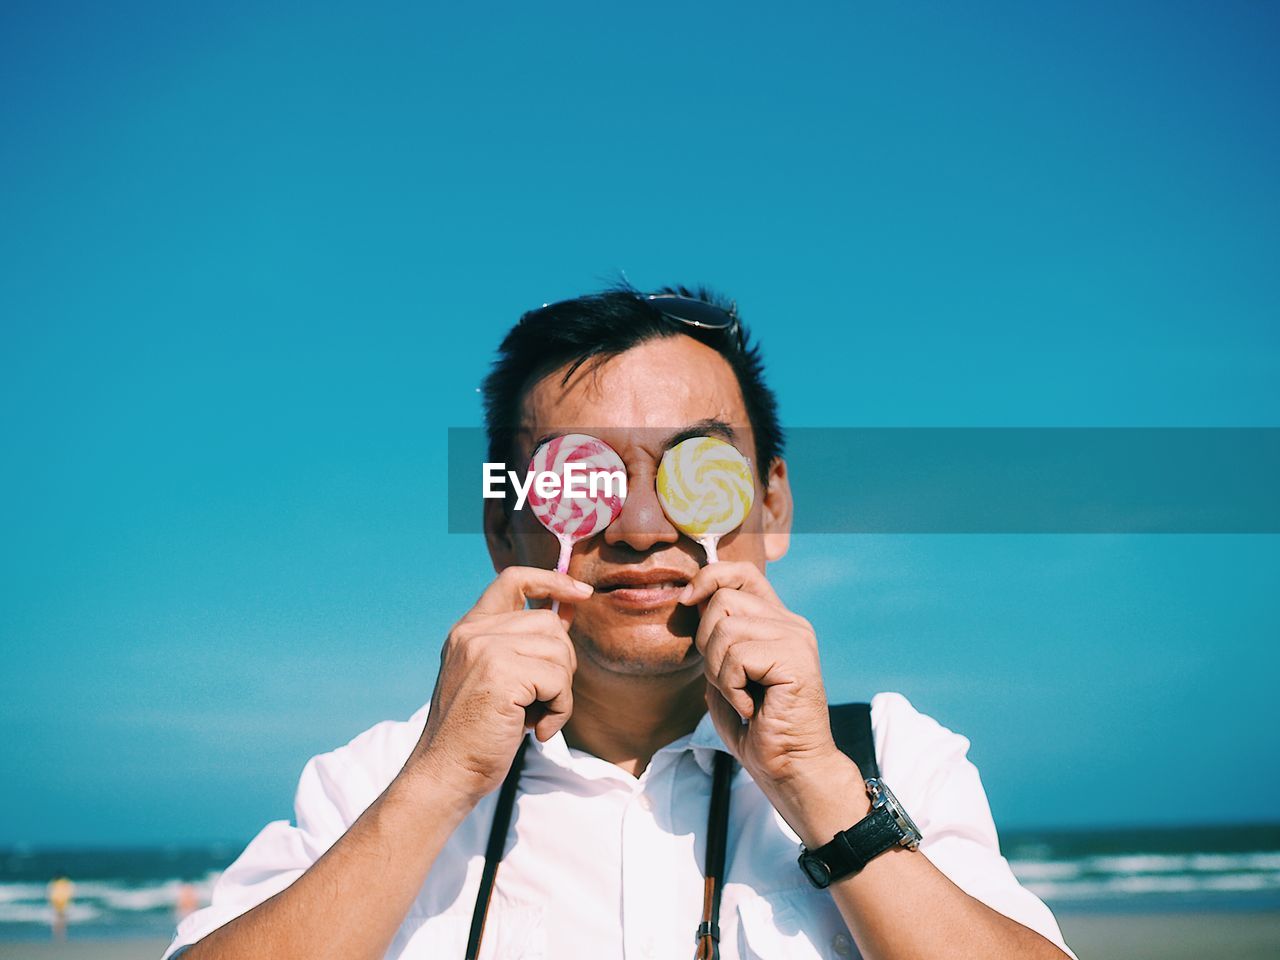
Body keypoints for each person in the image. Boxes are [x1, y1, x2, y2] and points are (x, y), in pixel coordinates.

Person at [163, 285, 1076, 959]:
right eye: (582, 479)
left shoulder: (893, 761)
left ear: (774, 506)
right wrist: (438, 783)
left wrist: (819, 790)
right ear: (503, 526)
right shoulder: (373, 781)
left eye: (697, 477)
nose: (643, 530)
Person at [47, 873, 73, 942]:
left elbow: (50, 893)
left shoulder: (53, 883)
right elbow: (70, 892)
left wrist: (51, 902)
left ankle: (57, 934)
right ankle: (62, 934)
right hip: (64, 902)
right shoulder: (66, 882)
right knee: (63, 918)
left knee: (57, 918)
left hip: (56, 902)